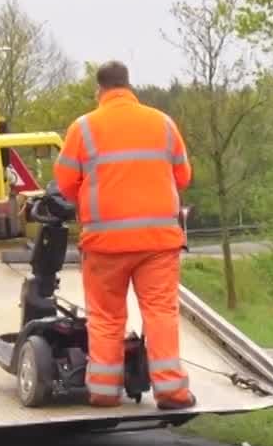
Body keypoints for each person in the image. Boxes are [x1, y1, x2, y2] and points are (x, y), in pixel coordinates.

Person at [51, 61, 196, 409]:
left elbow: (65, 183)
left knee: (105, 317)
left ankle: (103, 391)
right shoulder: (163, 123)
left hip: (105, 244)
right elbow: (183, 176)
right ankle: (171, 391)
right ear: (129, 86)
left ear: (99, 90)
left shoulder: (84, 128)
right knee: (160, 312)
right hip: (158, 242)